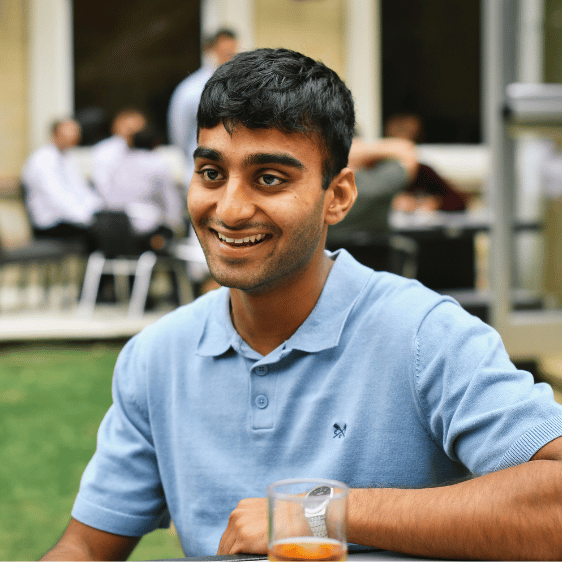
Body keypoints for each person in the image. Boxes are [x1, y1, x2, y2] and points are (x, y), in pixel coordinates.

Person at [42, 48, 562, 561]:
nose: (231, 209)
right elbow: (86, 547)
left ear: (337, 196)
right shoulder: (156, 358)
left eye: (270, 178)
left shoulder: (424, 335)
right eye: (212, 173)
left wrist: (320, 514)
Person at [167, 28, 238, 183]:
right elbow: (179, 132)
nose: (228, 56)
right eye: (224, 51)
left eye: (232, 52)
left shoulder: (241, 86)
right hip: (200, 168)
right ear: (210, 50)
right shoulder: (190, 89)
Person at [97, 126, 184, 253]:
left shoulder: (118, 163)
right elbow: (171, 201)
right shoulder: (157, 164)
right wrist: (176, 223)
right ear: (156, 144)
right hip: (144, 229)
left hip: (113, 227)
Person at [21, 118, 103, 250]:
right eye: (69, 134)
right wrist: (87, 218)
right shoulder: (42, 161)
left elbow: (81, 190)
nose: (74, 138)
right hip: (50, 223)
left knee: (111, 225)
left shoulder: (68, 158)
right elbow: (57, 199)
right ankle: (100, 270)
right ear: (55, 134)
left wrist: (99, 211)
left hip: (71, 218)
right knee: (100, 234)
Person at [384, 113, 467, 213]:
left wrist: (433, 202)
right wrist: (390, 202)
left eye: (411, 137)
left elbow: (458, 201)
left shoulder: (423, 171)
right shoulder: (377, 170)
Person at [91, 108, 147, 195]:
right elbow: (104, 187)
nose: (133, 133)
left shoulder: (146, 152)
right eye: (129, 129)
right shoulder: (105, 151)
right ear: (116, 127)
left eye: (137, 130)